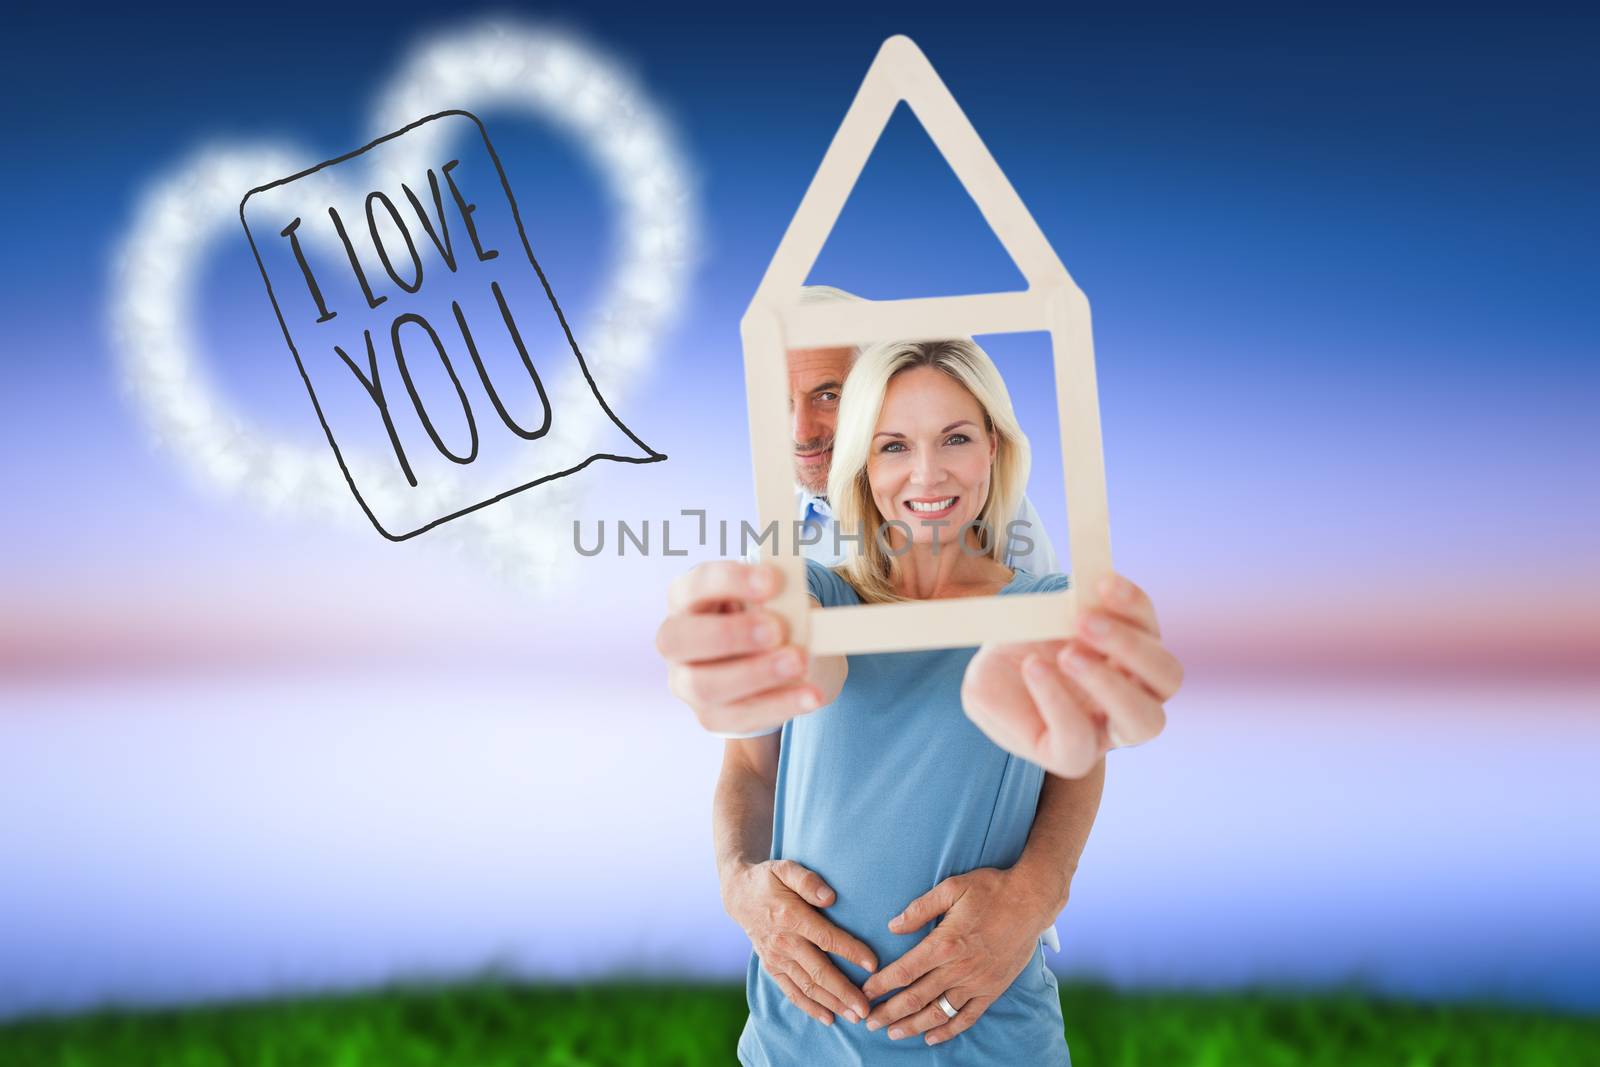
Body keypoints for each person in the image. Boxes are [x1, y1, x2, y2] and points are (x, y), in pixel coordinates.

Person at [656, 337, 1183, 1062]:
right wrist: (738, 882)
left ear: (993, 450)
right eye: (893, 445)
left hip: (988, 1039)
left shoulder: (1049, 604)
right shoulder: (819, 589)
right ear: (863, 467)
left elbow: (1078, 754)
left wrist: (1039, 891)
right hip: (795, 1044)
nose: (927, 472)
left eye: (956, 438)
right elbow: (752, 762)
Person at [784, 286, 1056, 572]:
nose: (800, 433)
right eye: (781, 400)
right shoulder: (772, 549)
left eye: (829, 397)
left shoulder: (986, 502)